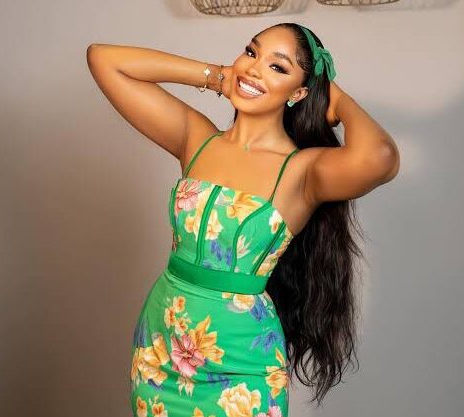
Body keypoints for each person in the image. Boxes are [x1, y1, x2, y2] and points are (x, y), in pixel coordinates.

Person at [87, 22, 400, 417]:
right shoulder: (196, 139)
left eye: (278, 67)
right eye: (251, 53)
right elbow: (103, 59)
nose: (254, 68)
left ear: (299, 93)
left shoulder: (302, 172)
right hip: (161, 349)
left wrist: (334, 98)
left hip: (242, 364)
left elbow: (381, 157)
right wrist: (219, 76)